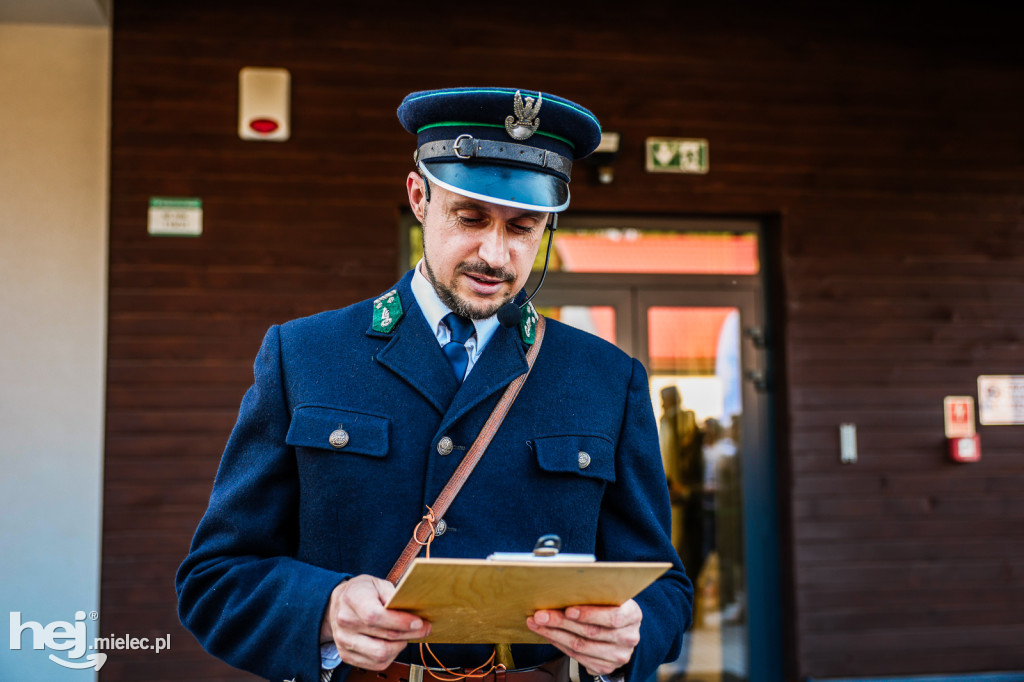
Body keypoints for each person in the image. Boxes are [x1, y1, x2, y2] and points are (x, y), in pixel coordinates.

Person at [176, 86, 693, 682]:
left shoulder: (608, 378)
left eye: (523, 228)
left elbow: (665, 585)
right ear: (419, 197)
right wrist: (325, 609)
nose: (494, 255)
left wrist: (632, 635)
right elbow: (214, 579)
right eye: (470, 217)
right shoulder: (304, 356)